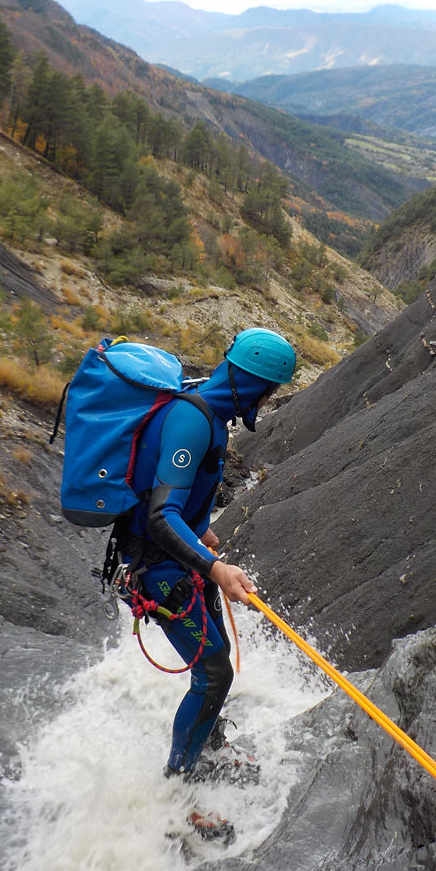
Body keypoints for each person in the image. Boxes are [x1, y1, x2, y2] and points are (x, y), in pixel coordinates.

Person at [118, 328, 296, 783]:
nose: (267, 402)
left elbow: (174, 494)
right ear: (254, 387)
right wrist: (216, 569)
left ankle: (210, 746)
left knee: (218, 655)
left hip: (181, 558)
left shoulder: (208, 409)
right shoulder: (194, 420)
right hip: (159, 568)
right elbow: (162, 515)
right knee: (214, 673)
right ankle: (179, 787)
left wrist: (200, 529)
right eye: (269, 393)